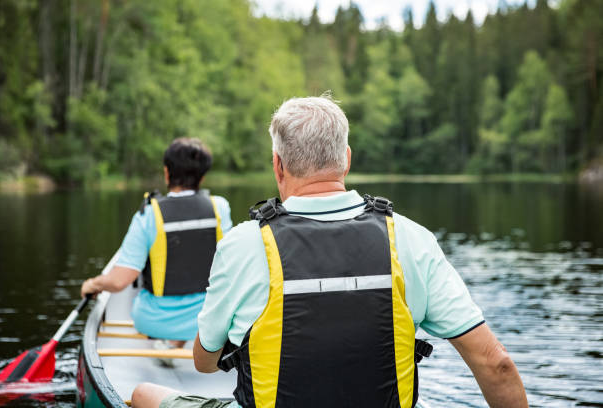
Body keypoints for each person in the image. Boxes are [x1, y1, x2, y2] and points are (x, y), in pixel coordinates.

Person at [131, 97, 528, 407]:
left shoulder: (243, 243)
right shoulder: (411, 238)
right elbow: (496, 363)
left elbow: (204, 363)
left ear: (278, 166)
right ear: (347, 160)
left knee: (144, 395)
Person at [81, 137, 232, 354]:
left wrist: (92, 285)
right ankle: (181, 342)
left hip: (154, 322)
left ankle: (172, 341)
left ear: (167, 173)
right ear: (203, 175)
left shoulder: (148, 215)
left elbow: (119, 281)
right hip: (208, 321)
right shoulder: (220, 207)